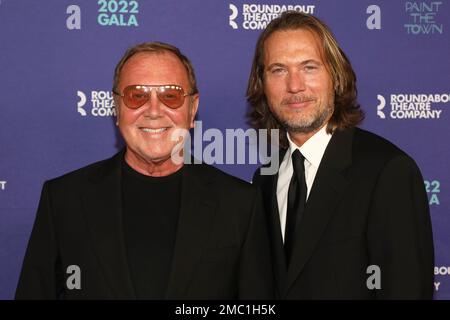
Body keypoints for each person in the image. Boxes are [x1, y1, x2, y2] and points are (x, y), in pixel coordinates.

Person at [16, 42, 273, 299]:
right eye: (136, 95)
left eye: (170, 95)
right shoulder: (64, 200)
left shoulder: (240, 204)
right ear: (117, 108)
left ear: (192, 109)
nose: (153, 110)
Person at [247, 12, 434, 299]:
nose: (294, 86)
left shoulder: (387, 172)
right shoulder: (264, 179)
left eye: (309, 67)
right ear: (262, 84)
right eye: (278, 70)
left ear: (335, 76)